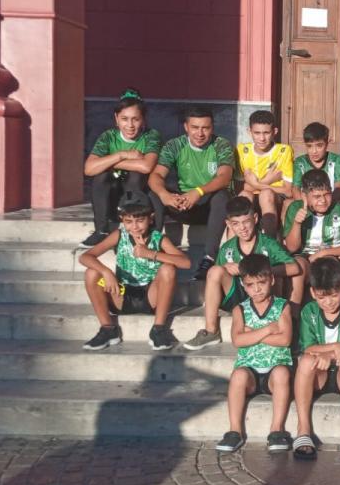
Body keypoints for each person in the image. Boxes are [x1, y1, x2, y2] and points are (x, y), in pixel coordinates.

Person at [184, 196, 302, 351]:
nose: (243, 228)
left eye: (246, 222)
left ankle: (283, 322)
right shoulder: (228, 248)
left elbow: (295, 268)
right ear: (228, 224)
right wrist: (226, 267)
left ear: (255, 218)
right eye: (236, 224)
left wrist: (259, 272)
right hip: (239, 295)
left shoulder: (268, 243)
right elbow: (216, 278)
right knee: (215, 270)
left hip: (264, 294)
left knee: (276, 275)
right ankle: (211, 331)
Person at [78, 192, 190, 352]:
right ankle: (108, 329)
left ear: (150, 218)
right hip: (121, 293)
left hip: (151, 296)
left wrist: (151, 254)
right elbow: (85, 257)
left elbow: (185, 263)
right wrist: (106, 272)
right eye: (128, 222)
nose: (135, 226)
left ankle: (158, 328)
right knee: (91, 273)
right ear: (122, 221)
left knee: (168, 269)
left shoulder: (158, 238)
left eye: (140, 220)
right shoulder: (119, 235)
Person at [292, 257, 340, 461]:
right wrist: (335, 348)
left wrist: (332, 354)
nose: (328, 302)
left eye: (333, 295)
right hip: (320, 375)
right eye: (322, 297)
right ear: (312, 294)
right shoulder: (309, 311)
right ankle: (303, 429)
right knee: (306, 361)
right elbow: (307, 347)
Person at [215, 254, 294, 453]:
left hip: (274, 371)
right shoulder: (239, 310)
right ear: (243, 285)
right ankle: (235, 431)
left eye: (261, 283)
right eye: (250, 285)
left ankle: (276, 429)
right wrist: (268, 330)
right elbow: (237, 340)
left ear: (272, 280)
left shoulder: (282, 306)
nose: (257, 289)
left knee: (282, 373)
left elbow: (285, 339)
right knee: (238, 375)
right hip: (249, 371)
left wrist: (252, 334)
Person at [148, 106, 234, 279]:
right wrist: (165, 195)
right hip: (184, 204)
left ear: (212, 127)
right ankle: (151, 249)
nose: (200, 133)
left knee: (222, 195)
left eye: (205, 128)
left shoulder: (221, 144)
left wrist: (199, 191)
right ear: (186, 127)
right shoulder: (175, 145)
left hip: (209, 206)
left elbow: (224, 177)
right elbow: (155, 175)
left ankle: (209, 258)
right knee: (155, 193)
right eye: (195, 127)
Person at [81, 89, 161, 247]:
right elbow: (89, 169)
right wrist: (122, 154)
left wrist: (108, 162)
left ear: (143, 120)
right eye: (124, 119)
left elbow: (146, 166)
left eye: (135, 119)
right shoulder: (108, 137)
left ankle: (133, 229)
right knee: (101, 177)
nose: (130, 125)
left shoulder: (151, 136)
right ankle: (101, 231)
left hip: (139, 199)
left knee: (135, 175)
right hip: (112, 200)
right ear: (116, 119)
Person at [283, 169, 340, 304]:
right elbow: (291, 248)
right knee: (297, 268)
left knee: (327, 266)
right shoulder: (295, 208)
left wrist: (323, 253)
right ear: (304, 195)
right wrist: (297, 223)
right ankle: (294, 314)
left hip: (332, 255)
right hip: (305, 256)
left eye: (327, 194)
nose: (323, 200)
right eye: (316, 196)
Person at [235, 110, 295, 237]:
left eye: (266, 133)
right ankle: (238, 245)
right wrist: (266, 181)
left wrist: (254, 184)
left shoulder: (284, 151)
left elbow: (288, 191)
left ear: (275, 132)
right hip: (251, 197)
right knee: (244, 195)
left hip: (274, 198)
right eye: (257, 133)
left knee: (266, 194)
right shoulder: (242, 150)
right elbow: (239, 187)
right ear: (249, 131)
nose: (262, 138)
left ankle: (269, 243)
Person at [292, 121, 340, 203]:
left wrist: (326, 205)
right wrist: (304, 205)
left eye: (319, 146)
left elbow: (339, 187)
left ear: (327, 143)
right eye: (309, 146)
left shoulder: (337, 160)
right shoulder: (300, 162)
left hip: (329, 202)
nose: (314, 151)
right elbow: (296, 188)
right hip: (307, 203)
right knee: (287, 204)